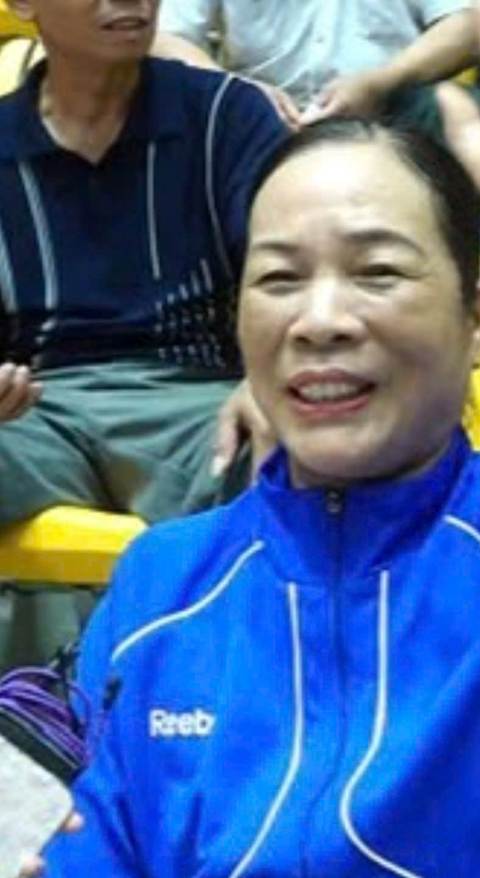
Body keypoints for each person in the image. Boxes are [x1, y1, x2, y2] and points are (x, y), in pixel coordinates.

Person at [20, 0, 480, 874]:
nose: (320, 319)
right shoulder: (163, 584)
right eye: (279, 278)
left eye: (377, 271)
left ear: (475, 319)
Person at [0, 0, 287, 669]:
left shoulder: (227, 116)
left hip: (199, 396)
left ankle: (241, 706)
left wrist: (271, 379)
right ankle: (37, 708)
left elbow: (293, 271)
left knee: (298, 459)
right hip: (39, 407)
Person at [153, 0, 480, 137]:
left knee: (449, 106)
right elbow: (165, 36)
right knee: (179, 103)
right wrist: (235, 91)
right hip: (262, 115)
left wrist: (381, 82)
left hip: (390, 106)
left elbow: (468, 26)